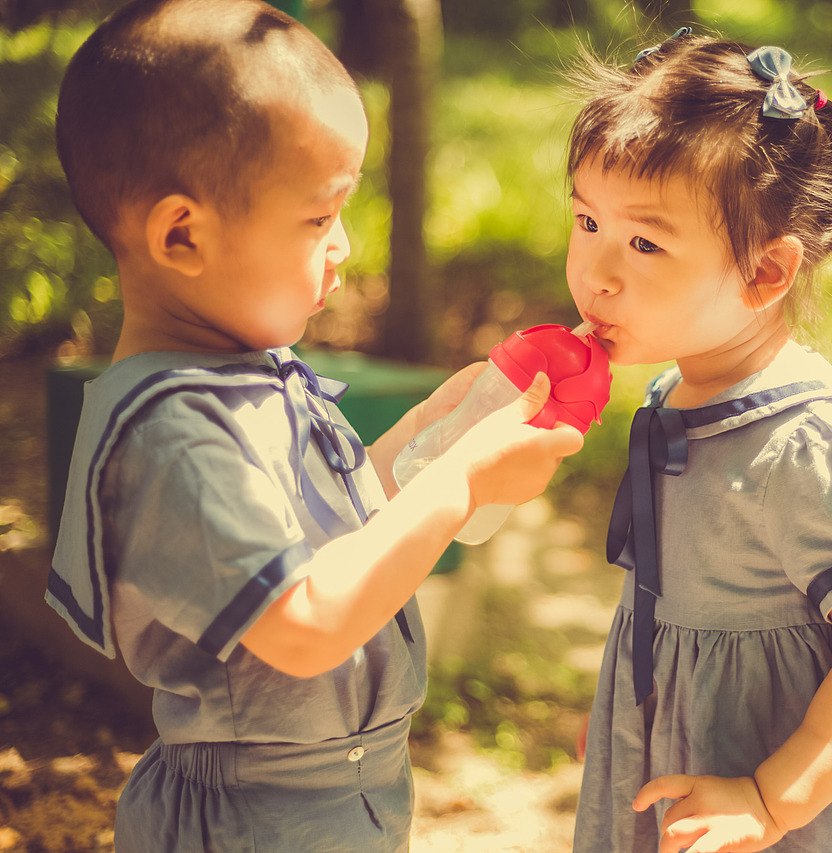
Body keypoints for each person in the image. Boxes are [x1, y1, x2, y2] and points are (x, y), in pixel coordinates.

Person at [44, 1, 583, 850]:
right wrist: (458, 483)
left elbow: (327, 532)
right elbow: (303, 624)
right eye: (318, 217)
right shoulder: (173, 435)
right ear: (182, 234)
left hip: (341, 796)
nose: (342, 247)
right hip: (251, 817)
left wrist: (427, 441)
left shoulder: (239, 375)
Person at [566, 30, 832, 853]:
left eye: (646, 242)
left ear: (765, 273)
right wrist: (634, 710)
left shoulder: (807, 444)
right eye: (587, 221)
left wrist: (771, 795)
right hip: (691, 770)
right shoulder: (675, 394)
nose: (598, 271)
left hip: (801, 801)